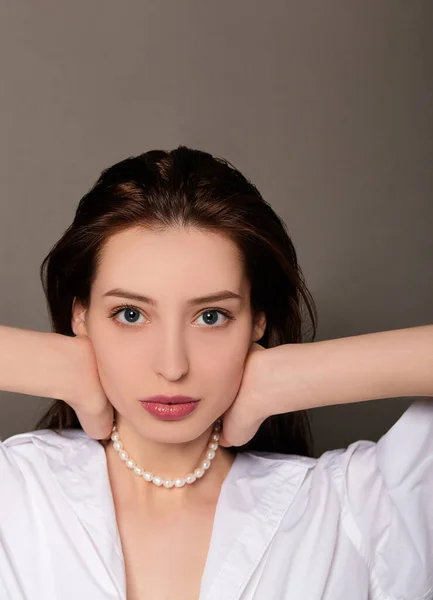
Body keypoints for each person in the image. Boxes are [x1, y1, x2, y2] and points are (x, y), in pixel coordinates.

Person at [0, 146, 432, 600]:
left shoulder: (353, 511)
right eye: (130, 314)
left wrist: (289, 378)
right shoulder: (16, 492)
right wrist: (52, 367)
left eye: (211, 317)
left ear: (256, 320)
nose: (172, 367)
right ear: (81, 316)